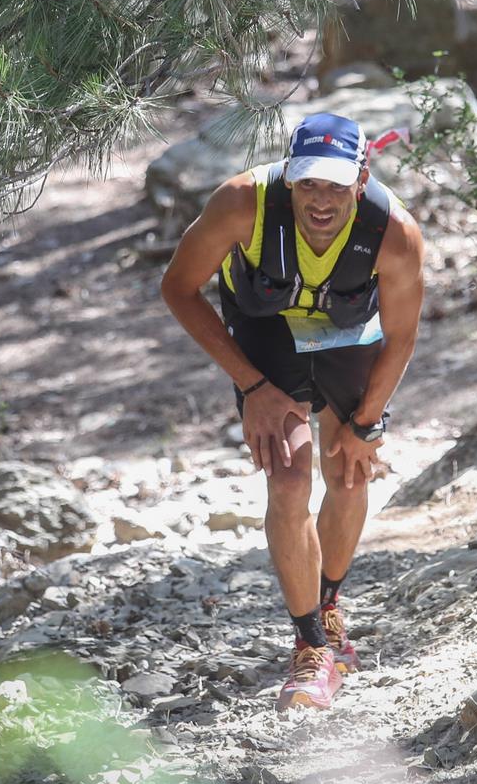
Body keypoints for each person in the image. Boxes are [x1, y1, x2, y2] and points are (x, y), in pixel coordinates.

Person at [160, 113, 426, 710]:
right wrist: (253, 387)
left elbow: (403, 337)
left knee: (349, 474)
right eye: (308, 184)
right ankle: (310, 649)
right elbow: (178, 287)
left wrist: (366, 425)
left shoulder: (394, 233)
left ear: (361, 180)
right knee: (286, 482)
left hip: (348, 338)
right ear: (289, 178)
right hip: (265, 339)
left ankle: (329, 609)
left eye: (335, 186)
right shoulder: (240, 205)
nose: (321, 200)